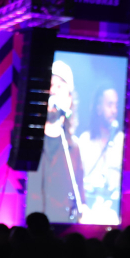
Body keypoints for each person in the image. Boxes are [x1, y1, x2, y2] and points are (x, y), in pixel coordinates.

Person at [26, 60, 85, 223]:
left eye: (59, 86)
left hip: (63, 225)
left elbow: (80, 194)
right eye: (50, 85)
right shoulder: (28, 141)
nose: (53, 91)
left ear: (69, 99)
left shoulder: (73, 147)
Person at [77, 86, 123, 224]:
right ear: (98, 108)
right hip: (88, 214)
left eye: (116, 106)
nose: (114, 111)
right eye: (109, 105)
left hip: (114, 214)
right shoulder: (84, 141)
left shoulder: (122, 141)